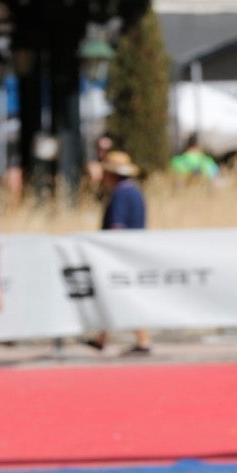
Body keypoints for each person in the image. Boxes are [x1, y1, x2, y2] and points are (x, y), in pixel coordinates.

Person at [87, 150, 151, 357]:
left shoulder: (121, 194)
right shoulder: (135, 191)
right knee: (116, 294)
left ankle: (142, 339)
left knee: (120, 294)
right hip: (132, 252)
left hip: (119, 254)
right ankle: (102, 337)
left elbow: (117, 227)